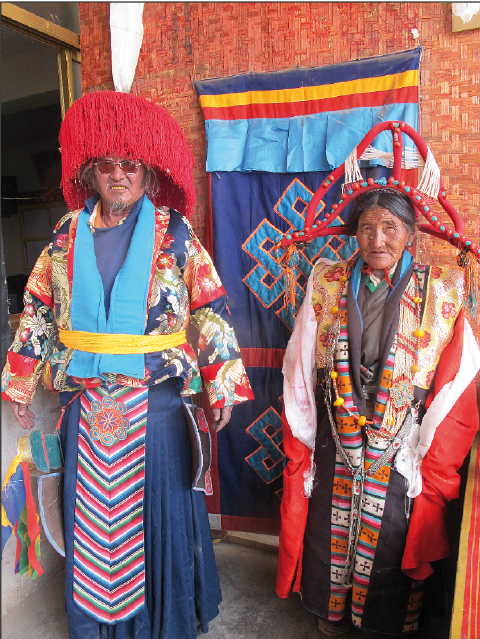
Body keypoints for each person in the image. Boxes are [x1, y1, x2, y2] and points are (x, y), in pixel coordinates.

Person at [1, 90, 253, 639]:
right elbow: (38, 309)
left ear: (148, 172)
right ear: (92, 173)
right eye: (107, 166)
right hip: (87, 410)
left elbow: (209, 308)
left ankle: (163, 622)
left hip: (158, 407)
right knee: (91, 525)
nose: (119, 176)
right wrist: (19, 384)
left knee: (156, 522)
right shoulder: (63, 238)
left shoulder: (176, 236)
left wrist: (222, 384)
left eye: (130, 165)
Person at [275, 188, 480, 637]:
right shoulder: (327, 281)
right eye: (366, 228)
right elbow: (301, 358)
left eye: (390, 227)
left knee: (389, 531)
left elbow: (457, 377)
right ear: (354, 233)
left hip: (401, 436)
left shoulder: (442, 289)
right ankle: (330, 613)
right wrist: (304, 429)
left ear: (409, 234)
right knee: (330, 522)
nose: (377, 239)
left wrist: (430, 449)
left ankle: (382, 623)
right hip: (336, 428)